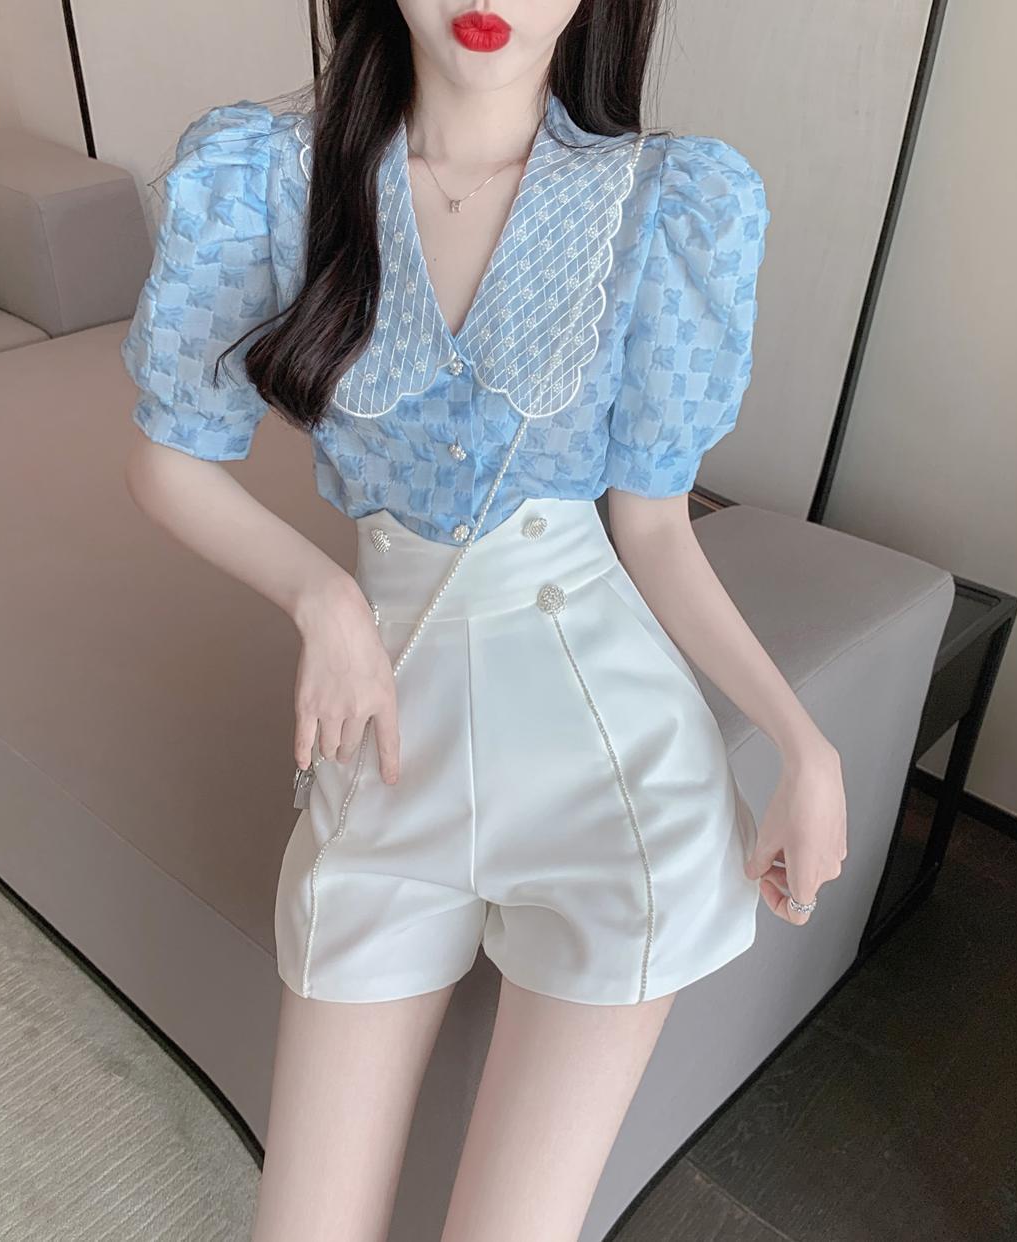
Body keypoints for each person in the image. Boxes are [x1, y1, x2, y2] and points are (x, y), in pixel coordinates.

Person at [119, 2, 848, 1238]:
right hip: (386, 747)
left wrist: (801, 743)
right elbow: (168, 459)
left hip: (609, 771)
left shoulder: (663, 201)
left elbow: (654, 528)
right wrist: (322, 595)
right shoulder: (272, 176)